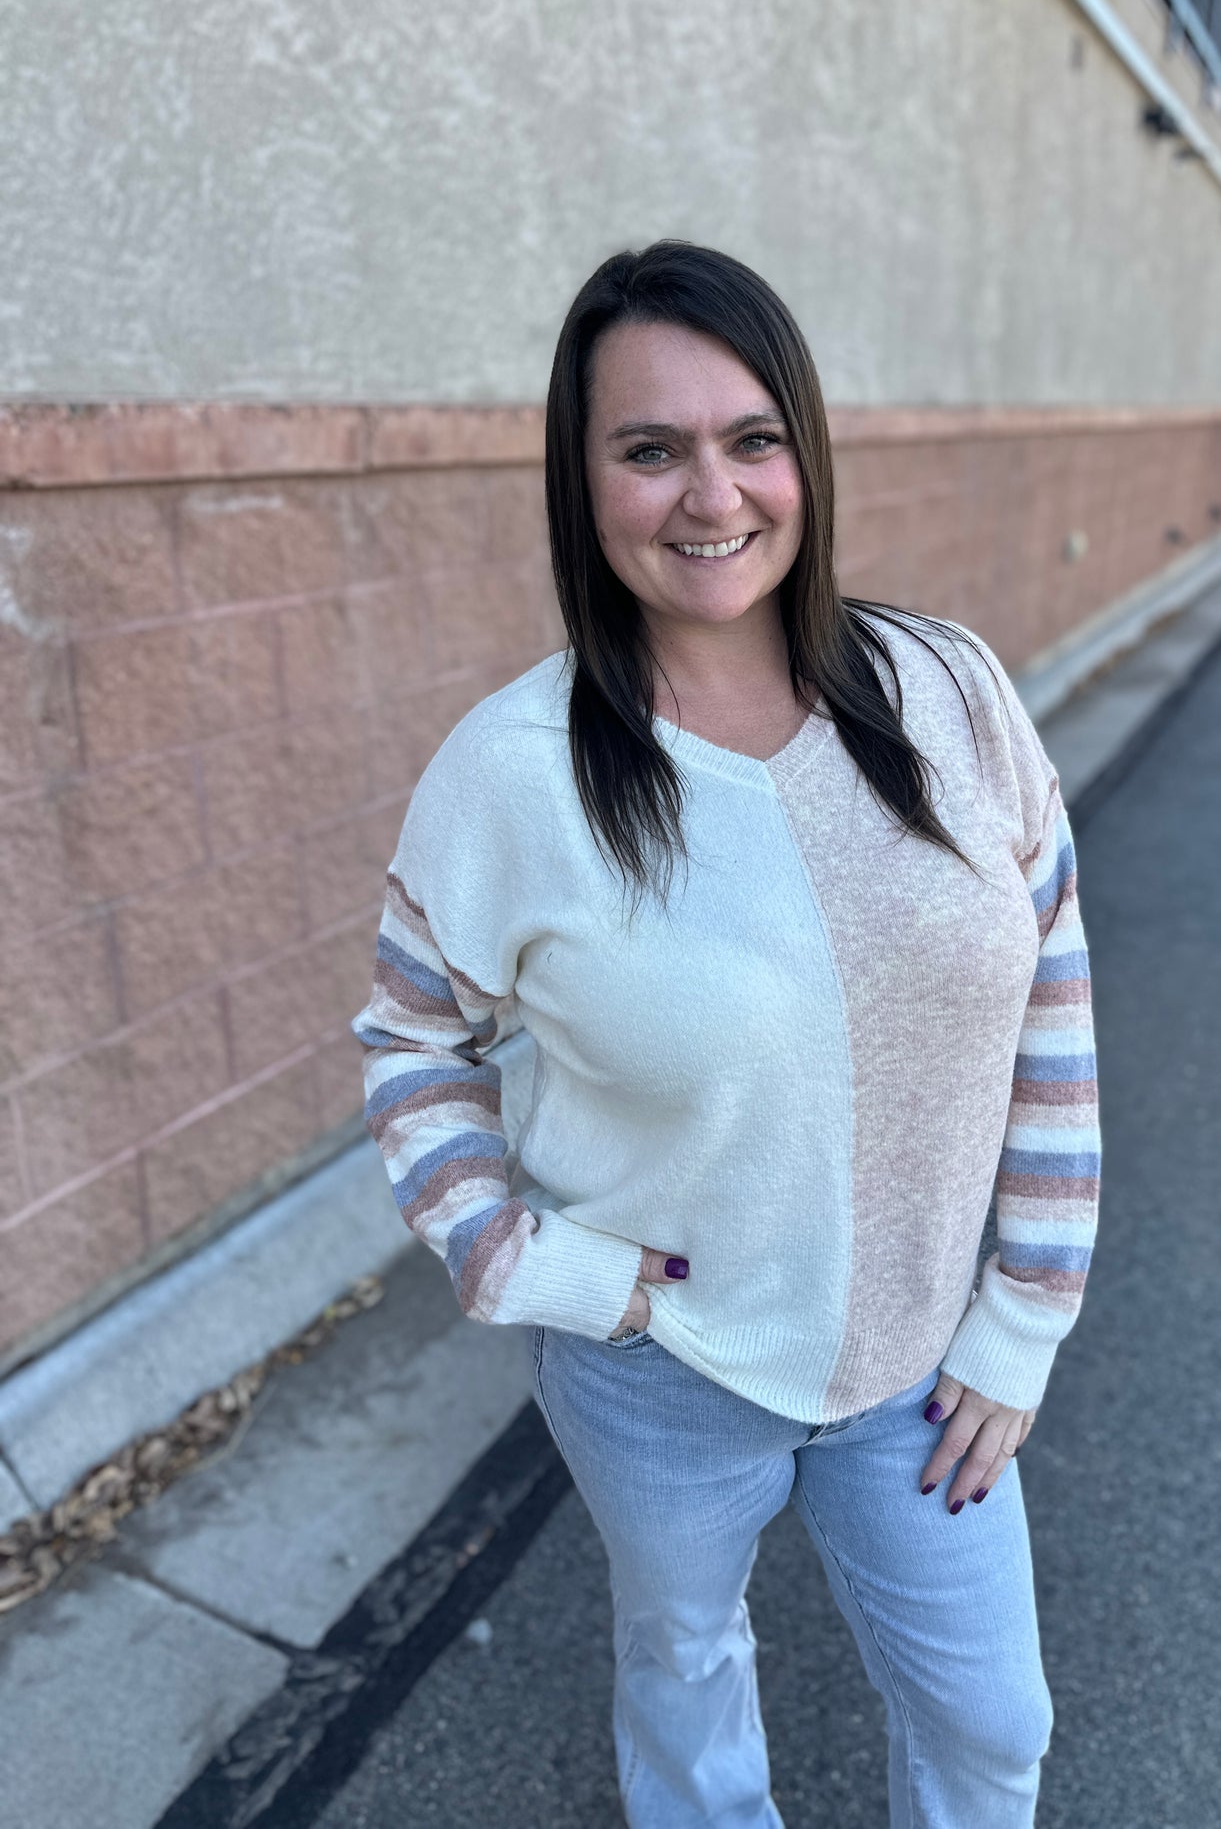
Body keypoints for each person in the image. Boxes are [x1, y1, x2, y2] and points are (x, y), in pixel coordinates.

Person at [350, 240, 1100, 1827]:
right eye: (649, 449)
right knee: (684, 1658)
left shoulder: (946, 689)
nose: (711, 496)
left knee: (991, 1725)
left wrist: (1024, 1309)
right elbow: (411, 1040)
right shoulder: (510, 773)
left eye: (751, 438)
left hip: (922, 1367)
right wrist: (520, 1261)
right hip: (660, 1367)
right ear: (581, 481)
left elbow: (1051, 976)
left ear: (803, 453)